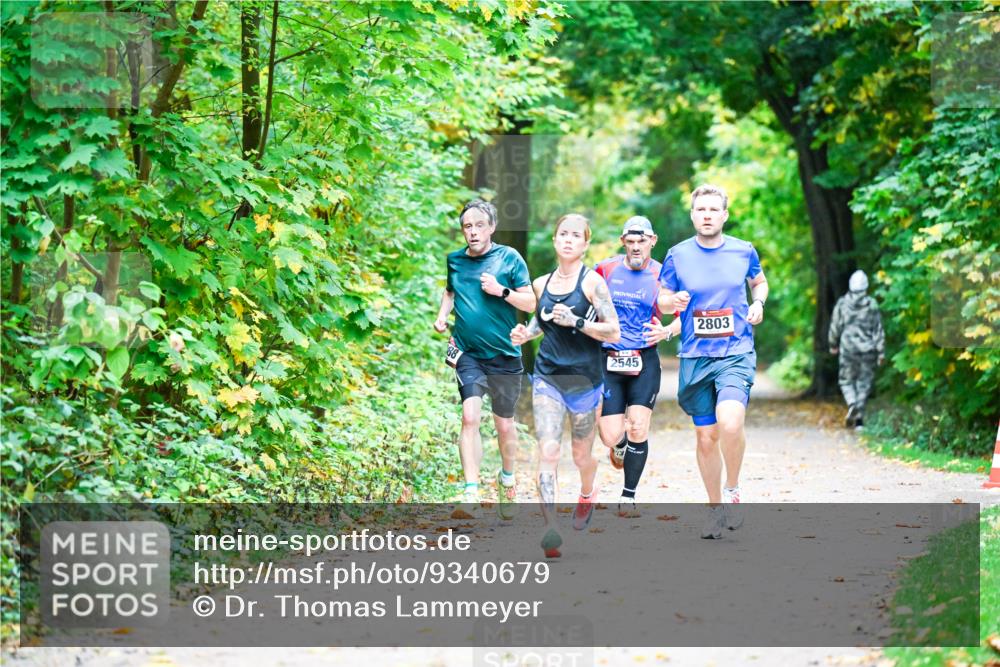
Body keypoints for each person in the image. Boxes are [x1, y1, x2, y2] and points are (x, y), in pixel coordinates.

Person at [657, 184, 768, 539]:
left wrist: (758, 303)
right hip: (695, 355)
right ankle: (715, 507)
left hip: (735, 351)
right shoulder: (677, 255)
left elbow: (760, 282)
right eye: (700, 210)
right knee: (706, 437)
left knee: (730, 423)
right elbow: (661, 301)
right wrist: (672, 300)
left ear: (724, 215)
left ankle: (733, 490)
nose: (706, 215)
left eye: (712, 210)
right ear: (693, 215)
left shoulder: (743, 250)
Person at [510, 214, 620, 557]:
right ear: (555, 240)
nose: (568, 240)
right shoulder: (541, 284)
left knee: (580, 455)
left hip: (585, 381)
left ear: (585, 244)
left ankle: (588, 491)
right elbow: (541, 321)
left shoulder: (592, 285)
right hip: (548, 378)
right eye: (563, 234)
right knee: (548, 450)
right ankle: (550, 529)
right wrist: (525, 334)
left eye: (576, 235)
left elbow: (613, 331)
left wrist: (578, 321)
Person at [434, 200, 536, 519]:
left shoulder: (509, 258)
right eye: (467, 226)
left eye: (479, 225)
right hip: (468, 353)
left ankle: (507, 479)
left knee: (504, 425)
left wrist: (501, 291)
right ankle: (471, 491)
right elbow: (450, 292)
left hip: (504, 355)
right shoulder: (455, 261)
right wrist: (441, 317)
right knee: (469, 417)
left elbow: (531, 302)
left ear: (491, 227)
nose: (473, 231)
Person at [594, 216, 679, 517]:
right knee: (609, 435)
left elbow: (688, 311)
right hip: (609, 358)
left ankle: (628, 495)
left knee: (639, 426)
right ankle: (619, 445)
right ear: (622, 243)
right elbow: (585, 300)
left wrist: (668, 331)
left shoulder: (664, 274)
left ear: (653, 241)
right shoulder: (605, 269)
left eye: (641, 241)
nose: (635, 247)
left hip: (645, 358)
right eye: (630, 242)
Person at [829, 269, 885, 429]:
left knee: (846, 380)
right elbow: (878, 330)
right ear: (866, 286)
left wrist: (833, 345)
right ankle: (859, 419)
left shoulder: (842, 303)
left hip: (848, 349)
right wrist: (881, 352)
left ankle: (852, 403)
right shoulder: (872, 304)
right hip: (869, 349)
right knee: (864, 382)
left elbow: (835, 326)